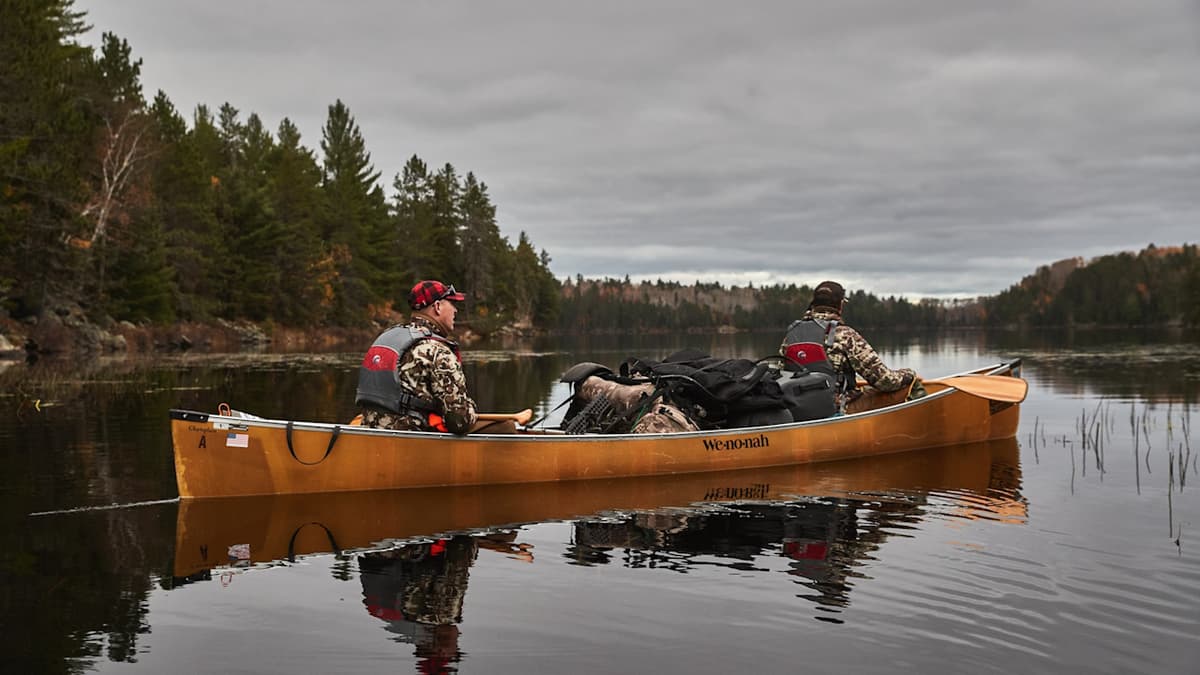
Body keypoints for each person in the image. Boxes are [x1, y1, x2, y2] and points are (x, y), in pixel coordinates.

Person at [356, 280, 515, 434]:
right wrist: (469, 407)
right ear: (437, 307)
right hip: (410, 441)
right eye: (452, 303)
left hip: (371, 430)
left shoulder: (386, 338)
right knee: (507, 428)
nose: (455, 310)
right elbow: (459, 421)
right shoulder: (438, 352)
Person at [779, 280, 924, 413]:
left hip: (797, 408)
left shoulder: (791, 336)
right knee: (910, 386)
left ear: (813, 304)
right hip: (837, 408)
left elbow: (781, 376)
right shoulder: (845, 336)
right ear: (840, 305)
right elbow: (885, 381)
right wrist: (910, 374)